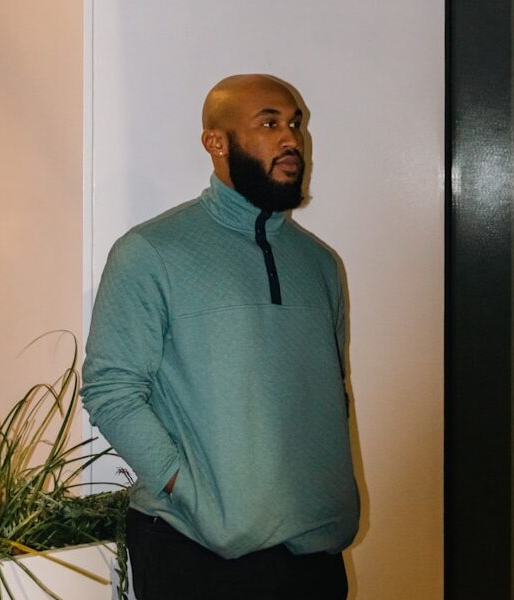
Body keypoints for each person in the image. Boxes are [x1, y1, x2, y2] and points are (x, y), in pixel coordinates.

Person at [81, 74, 359, 600]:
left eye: (296, 123)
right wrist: (186, 489)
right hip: (195, 551)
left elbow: (333, 393)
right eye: (270, 122)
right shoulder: (151, 251)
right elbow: (110, 388)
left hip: (314, 554)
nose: (291, 139)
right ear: (216, 142)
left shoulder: (320, 263)